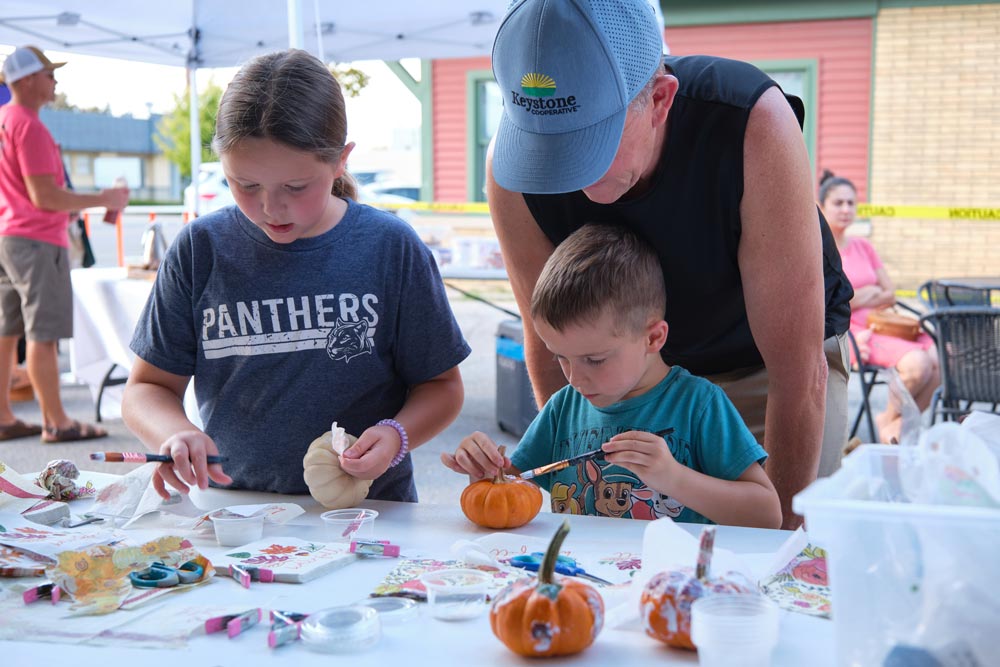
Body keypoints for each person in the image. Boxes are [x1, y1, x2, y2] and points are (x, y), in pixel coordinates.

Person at [485, 0, 854, 528]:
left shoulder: (750, 124)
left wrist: (779, 543)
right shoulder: (509, 172)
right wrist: (575, 433)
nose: (569, 173)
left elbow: (798, 374)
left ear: (659, 100)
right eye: (545, 147)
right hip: (623, 363)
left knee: (770, 546)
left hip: (760, 363)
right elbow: (550, 340)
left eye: (591, 141)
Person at [122, 49, 470, 501]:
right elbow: (147, 387)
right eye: (245, 185)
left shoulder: (390, 247)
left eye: (295, 187)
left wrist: (396, 434)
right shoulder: (199, 249)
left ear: (340, 160)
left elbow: (442, 387)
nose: (270, 207)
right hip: (240, 513)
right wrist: (173, 432)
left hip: (369, 513)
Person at [443, 225, 780, 528]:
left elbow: (766, 514)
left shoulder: (699, 405)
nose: (575, 378)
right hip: (581, 585)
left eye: (595, 359)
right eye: (561, 358)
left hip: (665, 586)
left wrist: (673, 477)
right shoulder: (565, 407)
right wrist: (485, 473)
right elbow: (509, 499)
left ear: (652, 338)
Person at [0, 46, 129, 442]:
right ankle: (58, 421)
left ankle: (4, 416)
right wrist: (104, 199)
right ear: (25, 80)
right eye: (48, 74)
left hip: (9, 236)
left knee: (7, 332)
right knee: (43, 334)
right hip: (37, 240)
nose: (54, 80)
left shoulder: (6, 119)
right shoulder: (30, 126)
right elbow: (46, 197)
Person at [819, 171, 939, 444]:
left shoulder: (863, 246)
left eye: (851, 203)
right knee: (919, 365)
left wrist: (857, 297)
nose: (846, 209)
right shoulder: (819, 248)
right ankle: (888, 420)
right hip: (852, 331)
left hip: (885, 322)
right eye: (838, 203)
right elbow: (830, 303)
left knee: (939, 359)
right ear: (822, 206)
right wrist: (869, 293)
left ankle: (896, 424)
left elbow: (891, 293)